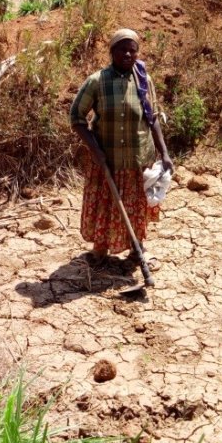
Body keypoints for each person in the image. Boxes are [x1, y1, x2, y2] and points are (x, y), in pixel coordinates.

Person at [70, 28, 174, 267]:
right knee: (106, 206)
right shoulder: (97, 81)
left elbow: (152, 118)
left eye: (132, 50)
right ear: (112, 51)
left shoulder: (143, 80)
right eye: (122, 49)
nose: (127, 54)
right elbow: (76, 117)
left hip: (138, 160)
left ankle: (138, 250)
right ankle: (100, 250)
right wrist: (95, 149)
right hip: (107, 160)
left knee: (135, 208)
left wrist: (165, 153)